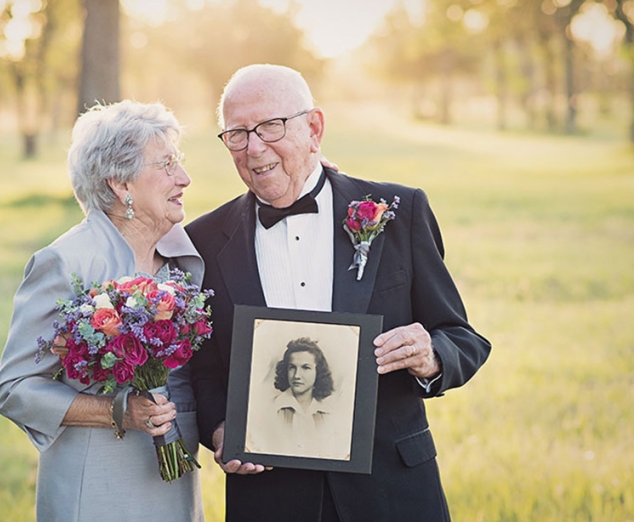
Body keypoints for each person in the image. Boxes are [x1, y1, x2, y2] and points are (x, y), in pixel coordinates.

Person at [185, 64, 491, 521]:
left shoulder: (398, 212)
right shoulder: (203, 242)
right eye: (236, 133)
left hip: (392, 489)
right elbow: (204, 373)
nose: (253, 147)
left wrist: (430, 356)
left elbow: (462, 338)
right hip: (269, 497)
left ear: (314, 128)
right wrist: (220, 428)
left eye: (270, 126)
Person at [0, 100, 205, 521]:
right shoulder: (66, 262)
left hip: (174, 479)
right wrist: (116, 411)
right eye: (165, 165)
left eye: (178, 162)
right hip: (97, 484)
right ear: (120, 185)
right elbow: (14, 389)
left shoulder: (186, 259)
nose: (184, 178)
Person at [246, 337, 347, 459]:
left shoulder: (328, 414)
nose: (297, 375)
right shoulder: (270, 409)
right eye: (292, 367)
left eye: (305, 368)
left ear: (318, 371)